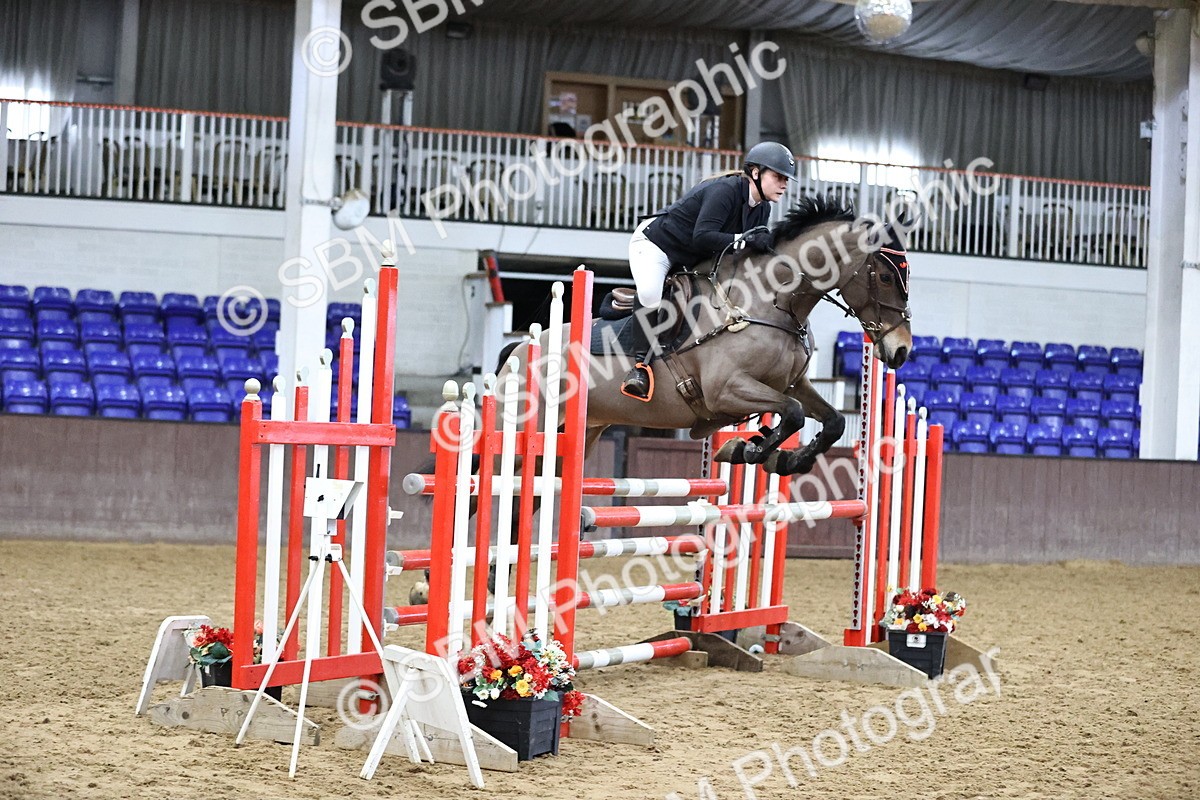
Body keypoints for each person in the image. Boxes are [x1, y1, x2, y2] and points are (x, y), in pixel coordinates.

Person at [620, 141, 798, 400]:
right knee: (649, 293)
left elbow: (737, 252)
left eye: (786, 179)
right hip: (658, 245)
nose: (784, 184)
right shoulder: (724, 191)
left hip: (693, 255)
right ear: (756, 173)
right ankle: (640, 368)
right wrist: (746, 239)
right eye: (778, 176)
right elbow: (702, 236)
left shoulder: (763, 208)